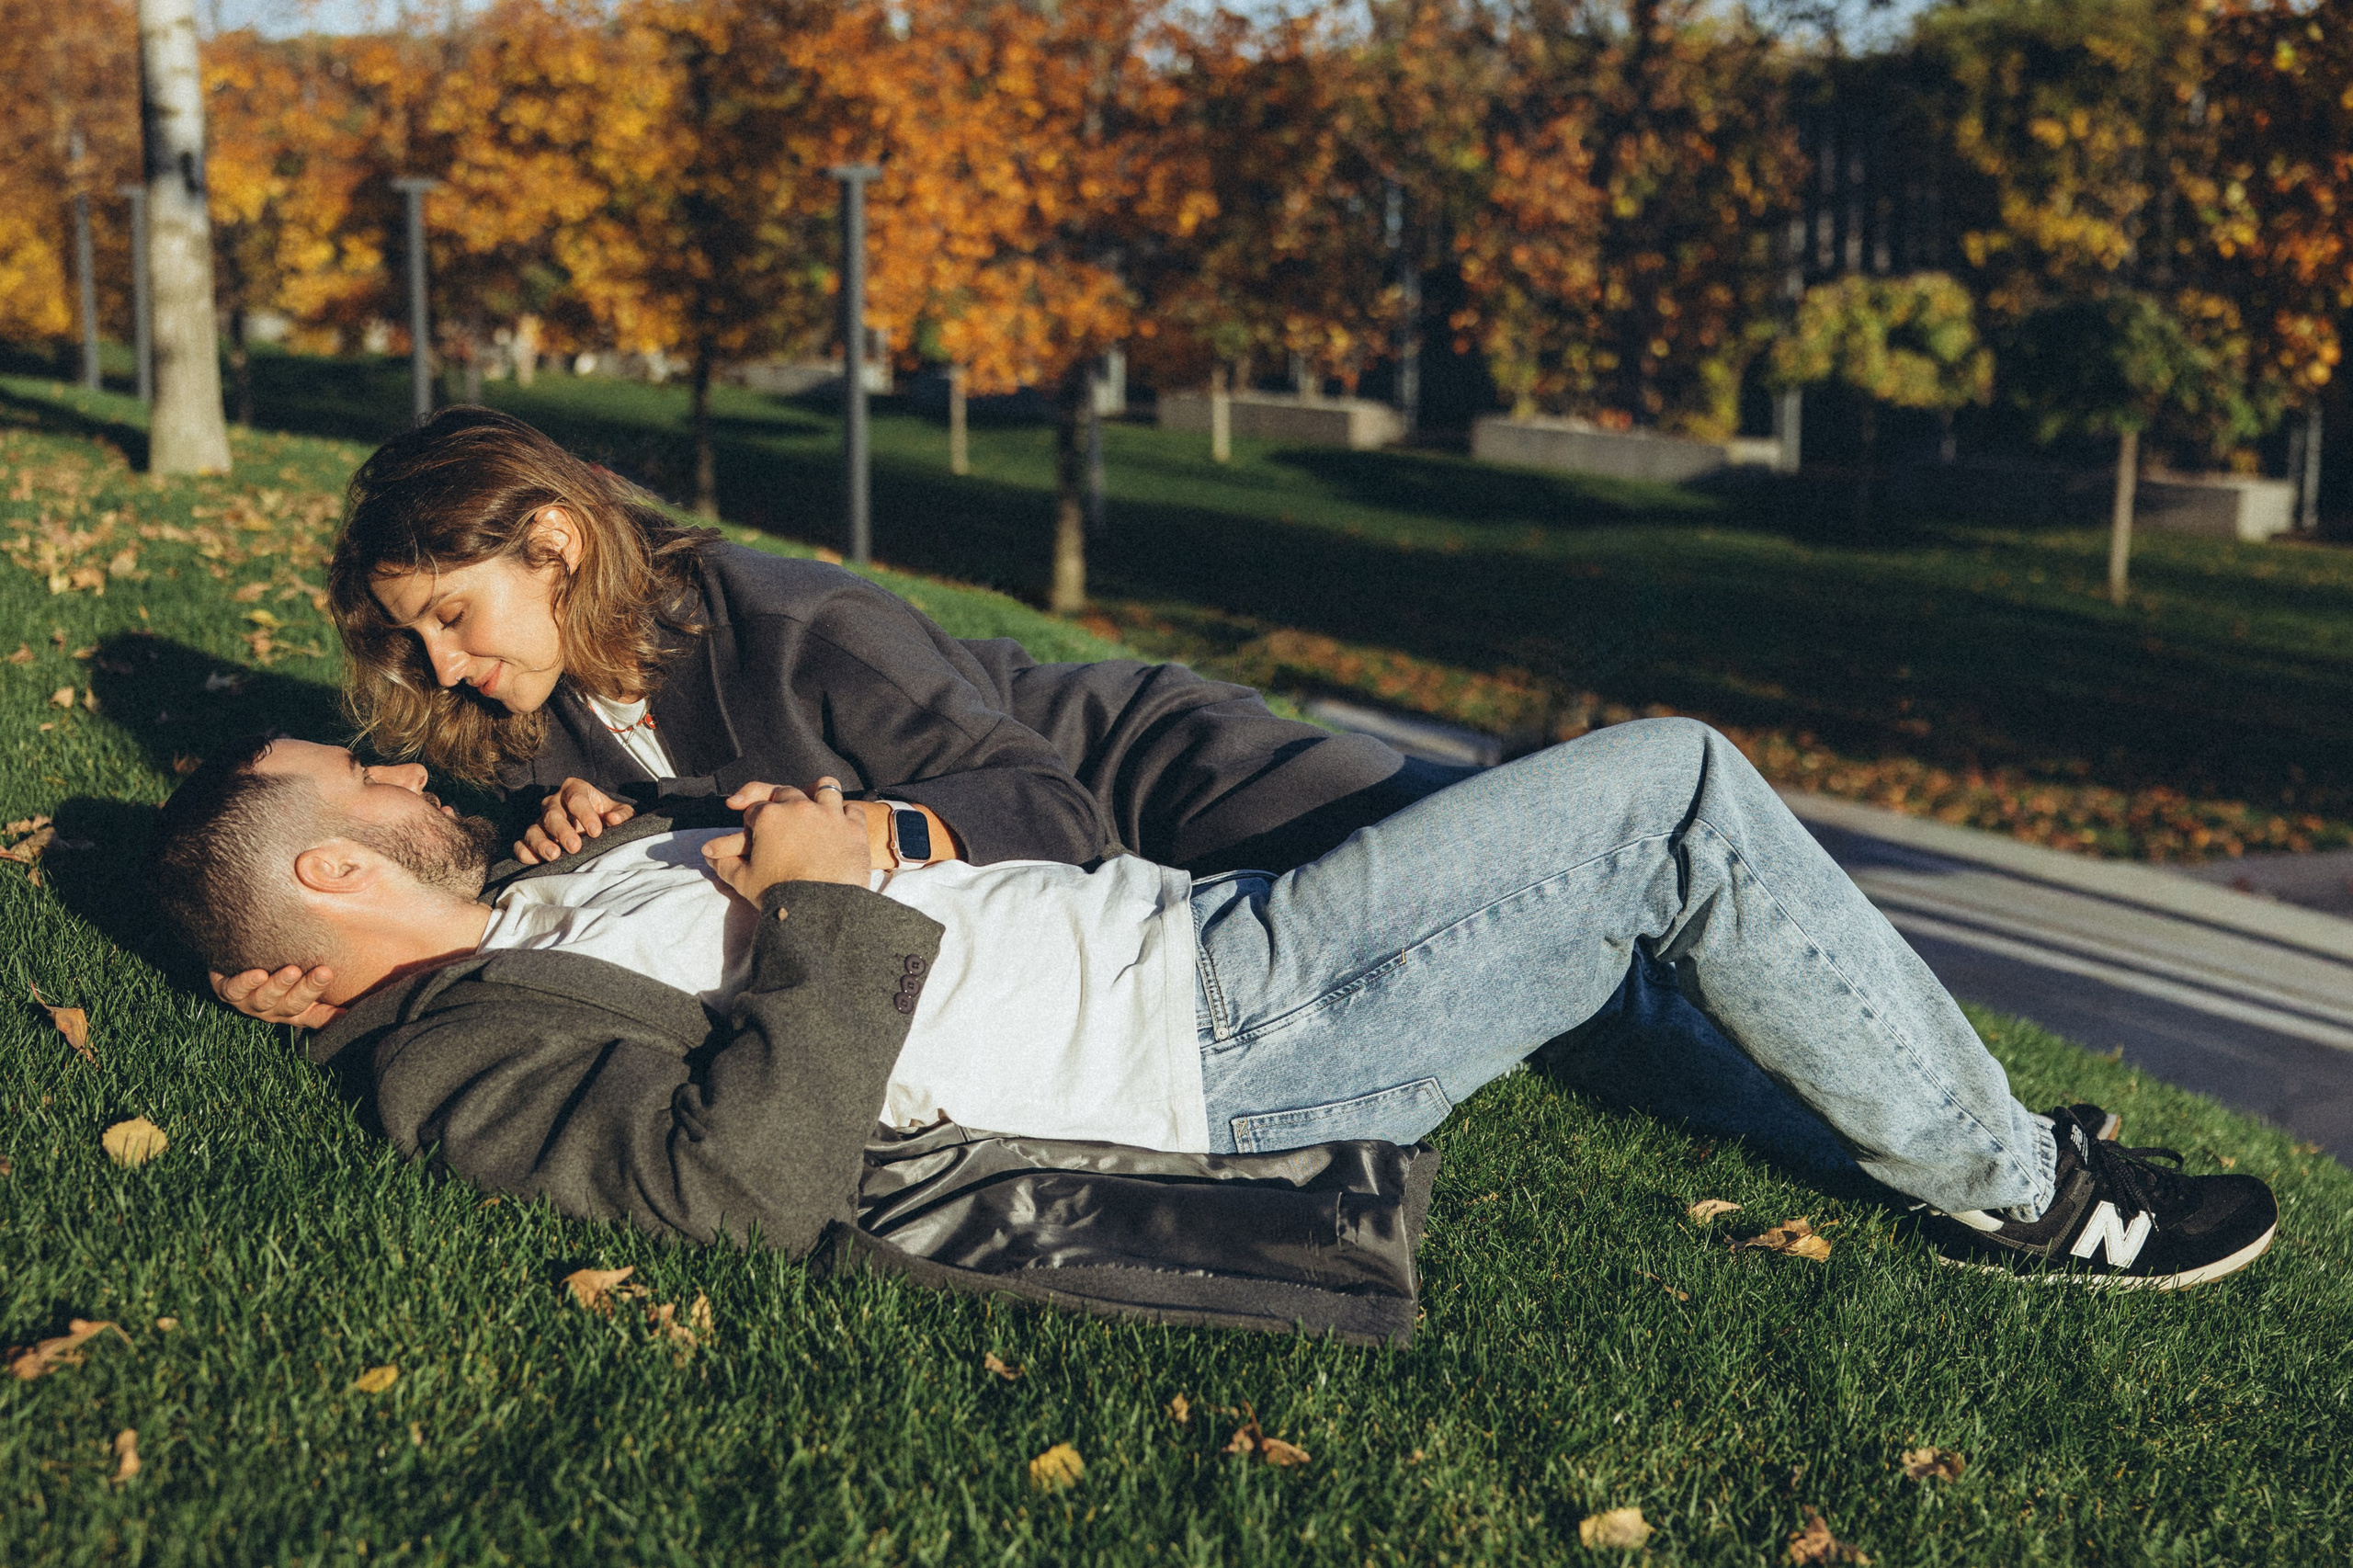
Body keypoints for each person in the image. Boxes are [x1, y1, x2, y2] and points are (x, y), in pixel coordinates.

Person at [150, 718, 2278, 1343]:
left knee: (1634, 908)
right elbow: (740, 1172)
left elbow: (647, 927)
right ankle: (2030, 1195)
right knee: (1670, 792)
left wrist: (653, 842)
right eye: (369, 788)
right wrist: (808, 897)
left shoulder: (513, 895)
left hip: (1195, 934)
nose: (413, 770)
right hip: (1216, 1029)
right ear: (333, 886)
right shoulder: (443, 1057)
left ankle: (1925, 1127)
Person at [214, 404, 1463, 1028]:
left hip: (1156, 766)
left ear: (551, 542)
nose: (438, 662)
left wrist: (870, 836)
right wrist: (343, 981)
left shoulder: (800, 625)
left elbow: (1055, 813)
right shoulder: (525, 719)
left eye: (452, 613)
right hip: (1126, 895)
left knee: (1487, 866)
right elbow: (477, 902)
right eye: (416, 636)